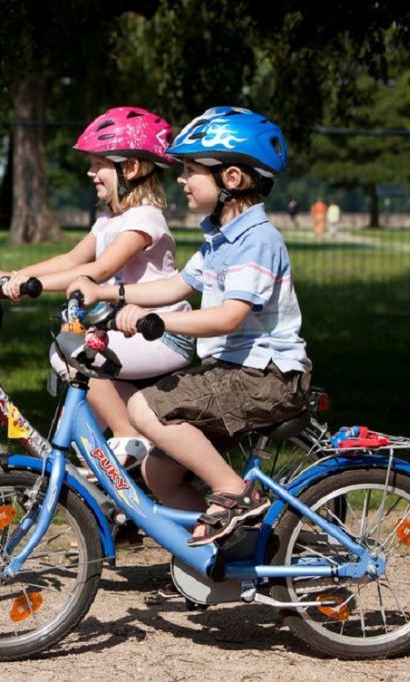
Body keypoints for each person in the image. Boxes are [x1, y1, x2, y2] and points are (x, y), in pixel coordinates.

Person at [67, 106, 311, 545]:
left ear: (230, 179)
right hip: (235, 372)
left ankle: (235, 493)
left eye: (191, 171)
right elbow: (177, 283)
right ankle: (237, 552)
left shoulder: (257, 239)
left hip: (267, 376)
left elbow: (228, 315)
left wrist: (156, 321)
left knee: (142, 407)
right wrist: (108, 293)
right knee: (158, 471)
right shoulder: (220, 238)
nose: (179, 180)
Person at [0, 106, 195, 469]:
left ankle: (129, 433)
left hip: (162, 335)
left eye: (99, 164)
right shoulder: (110, 220)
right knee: (84, 439)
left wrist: (32, 286)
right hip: (128, 334)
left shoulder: (145, 220)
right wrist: (14, 275)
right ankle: (116, 510)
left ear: (129, 169)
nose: (90, 172)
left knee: (70, 351)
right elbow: (71, 260)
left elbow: (98, 269)